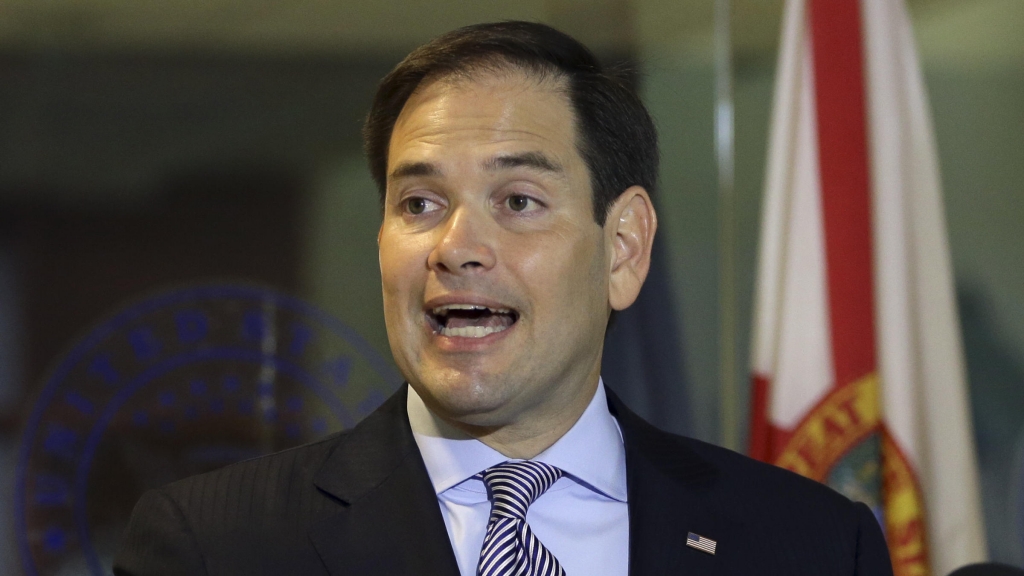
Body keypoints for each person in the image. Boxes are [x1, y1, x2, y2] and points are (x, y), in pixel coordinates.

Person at [114, 21, 893, 576]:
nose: (456, 246)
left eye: (517, 201)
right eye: (419, 204)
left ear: (623, 248)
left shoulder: (809, 545)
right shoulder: (220, 546)